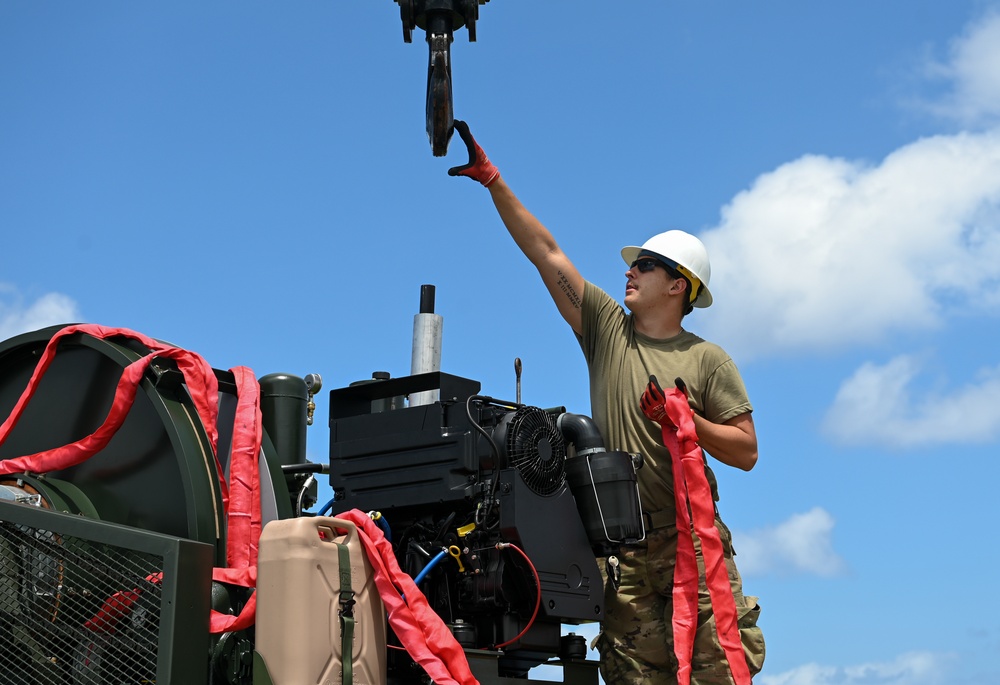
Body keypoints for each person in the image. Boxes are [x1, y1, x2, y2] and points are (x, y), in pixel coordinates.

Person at [447, 120, 765, 684]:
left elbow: (745, 451)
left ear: (678, 286)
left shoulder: (707, 360)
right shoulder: (606, 330)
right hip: (623, 553)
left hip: (693, 545)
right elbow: (546, 253)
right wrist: (493, 180)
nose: (629, 271)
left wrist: (689, 422)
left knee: (719, 672)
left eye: (644, 265)